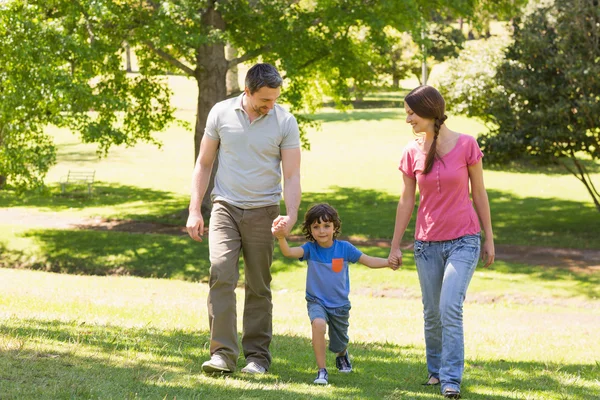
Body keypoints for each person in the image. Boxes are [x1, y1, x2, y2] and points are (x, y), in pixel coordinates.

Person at [186, 63, 301, 375]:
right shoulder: (220, 113)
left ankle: (257, 358)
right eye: (264, 99)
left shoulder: (285, 121)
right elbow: (204, 162)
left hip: (264, 210)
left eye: (274, 99)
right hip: (225, 206)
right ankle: (222, 354)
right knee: (221, 273)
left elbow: (291, 175)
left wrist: (290, 215)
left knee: (259, 285)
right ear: (247, 91)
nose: (270, 105)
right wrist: (195, 209)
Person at [387, 85, 495, 399]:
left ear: (431, 111)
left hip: (464, 240)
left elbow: (480, 194)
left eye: (411, 112)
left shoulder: (467, 145)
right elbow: (406, 201)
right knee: (432, 313)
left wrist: (488, 238)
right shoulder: (411, 151)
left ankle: (451, 379)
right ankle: (435, 372)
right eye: (406, 113)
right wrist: (395, 245)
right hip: (426, 244)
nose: (408, 119)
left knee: (450, 307)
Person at [272, 203, 398, 385]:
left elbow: (368, 260)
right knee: (318, 324)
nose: (321, 231)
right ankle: (321, 371)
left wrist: (388, 262)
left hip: (339, 304)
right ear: (310, 229)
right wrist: (281, 237)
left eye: (326, 226)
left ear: (335, 227)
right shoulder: (310, 249)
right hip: (316, 301)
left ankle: (342, 354)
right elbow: (289, 252)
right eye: (316, 227)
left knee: (339, 342)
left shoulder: (344, 248)